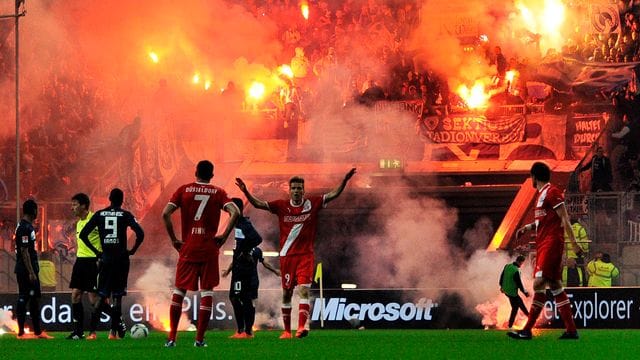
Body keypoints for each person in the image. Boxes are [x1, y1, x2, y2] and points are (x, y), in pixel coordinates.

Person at [235, 168, 356, 339]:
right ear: (290, 190)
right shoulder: (281, 206)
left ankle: (301, 327)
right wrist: (245, 191)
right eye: (294, 188)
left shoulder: (312, 203)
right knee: (287, 293)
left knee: (304, 291)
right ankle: (286, 331)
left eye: (300, 188)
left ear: (303, 190)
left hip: (305, 256)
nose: (297, 191)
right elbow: (258, 204)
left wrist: (344, 180)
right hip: (287, 257)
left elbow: (333, 195)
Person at [162, 160, 240, 348]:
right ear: (212, 175)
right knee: (207, 292)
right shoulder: (218, 192)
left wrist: (174, 239)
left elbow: (165, 213)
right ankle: (199, 340)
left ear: (195, 172)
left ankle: (172, 339)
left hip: (188, 248)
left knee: (179, 290)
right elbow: (235, 211)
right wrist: (224, 235)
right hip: (208, 249)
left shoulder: (184, 190)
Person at [508, 162, 581, 340]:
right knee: (555, 286)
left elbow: (564, 219)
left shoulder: (552, 192)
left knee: (539, 283)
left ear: (534, 177)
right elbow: (544, 222)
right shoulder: (541, 195)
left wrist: (574, 244)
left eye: (531, 176)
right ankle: (571, 331)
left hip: (551, 243)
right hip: (544, 243)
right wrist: (527, 227)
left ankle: (527, 330)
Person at [80, 188, 144, 340]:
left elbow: (83, 235)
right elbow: (140, 233)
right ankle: (113, 333)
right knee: (117, 297)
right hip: (121, 260)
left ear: (109, 198)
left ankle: (92, 333)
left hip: (106, 260)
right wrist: (133, 249)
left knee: (101, 296)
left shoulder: (99, 214)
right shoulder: (126, 215)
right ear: (122, 200)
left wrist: (97, 252)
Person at [222, 198, 280, 339]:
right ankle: (244, 331)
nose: (228, 211)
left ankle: (245, 331)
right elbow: (240, 250)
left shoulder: (243, 224)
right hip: (238, 269)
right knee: (237, 298)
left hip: (244, 272)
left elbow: (257, 239)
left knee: (242, 299)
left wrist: (246, 252)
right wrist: (228, 270)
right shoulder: (237, 225)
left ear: (237, 209)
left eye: (231, 207)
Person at [14, 199, 54, 339]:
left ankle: (33, 331)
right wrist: (31, 272)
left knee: (31, 298)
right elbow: (24, 251)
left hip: (23, 268)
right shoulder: (25, 228)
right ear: (33, 211)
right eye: (36, 210)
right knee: (27, 298)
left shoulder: (23, 226)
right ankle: (24, 332)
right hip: (26, 270)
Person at [67, 193, 102, 340]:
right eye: (72, 204)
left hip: (92, 261)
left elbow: (104, 239)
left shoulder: (94, 220)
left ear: (83, 206)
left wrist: (101, 257)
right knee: (75, 295)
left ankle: (96, 329)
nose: (72, 207)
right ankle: (78, 331)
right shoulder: (79, 222)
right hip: (80, 261)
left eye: (75, 204)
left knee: (93, 298)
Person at [499, 255, 530, 329]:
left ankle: (510, 326)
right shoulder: (516, 271)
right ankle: (531, 320)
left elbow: (501, 277)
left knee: (515, 308)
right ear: (520, 262)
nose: (522, 265)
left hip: (506, 291)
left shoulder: (507, 266)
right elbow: (519, 284)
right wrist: (525, 293)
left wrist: (501, 286)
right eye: (522, 263)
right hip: (512, 292)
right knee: (521, 305)